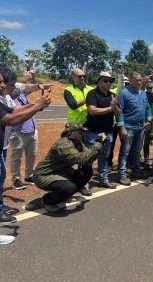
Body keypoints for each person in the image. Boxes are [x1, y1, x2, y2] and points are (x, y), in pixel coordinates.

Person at [0, 69, 51, 223]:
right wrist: (36, 107)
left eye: (3, 82)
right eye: (0, 83)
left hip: (2, 144)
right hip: (13, 136)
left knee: (1, 176)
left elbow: (14, 110)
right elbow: (11, 118)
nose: (3, 86)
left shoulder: (4, 97)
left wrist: (36, 105)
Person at [32, 124, 106, 212]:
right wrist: (98, 144)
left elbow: (88, 158)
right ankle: (48, 200)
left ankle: (64, 195)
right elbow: (81, 158)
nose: (82, 134)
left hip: (60, 171)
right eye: (80, 132)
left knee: (87, 171)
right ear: (72, 133)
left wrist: (100, 143)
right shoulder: (64, 144)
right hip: (44, 175)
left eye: (83, 132)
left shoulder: (77, 142)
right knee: (69, 187)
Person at [84, 71, 121, 192]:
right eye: (106, 80)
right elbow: (92, 110)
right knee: (89, 158)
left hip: (108, 132)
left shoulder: (113, 96)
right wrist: (110, 108)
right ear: (99, 81)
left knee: (104, 157)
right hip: (92, 132)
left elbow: (118, 114)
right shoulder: (92, 94)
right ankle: (84, 184)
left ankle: (103, 180)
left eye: (110, 81)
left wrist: (114, 107)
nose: (109, 83)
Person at [116, 72, 152, 185]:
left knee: (136, 151)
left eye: (140, 80)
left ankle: (136, 171)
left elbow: (147, 107)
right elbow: (119, 112)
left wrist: (149, 119)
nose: (139, 82)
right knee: (125, 151)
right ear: (131, 81)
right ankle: (122, 175)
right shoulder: (124, 93)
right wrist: (121, 127)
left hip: (140, 128)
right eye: (137, 80)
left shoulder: (142, 93)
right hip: (128, 127)